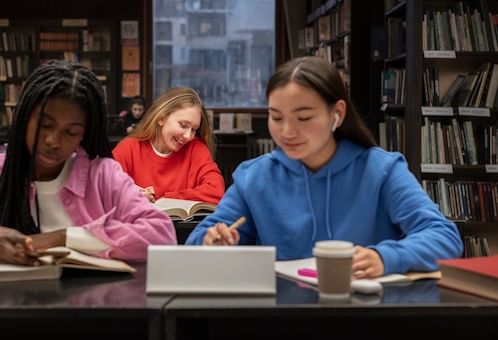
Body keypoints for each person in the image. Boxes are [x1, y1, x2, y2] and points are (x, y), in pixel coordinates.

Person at [185, 56, 463, 278]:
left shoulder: (381, 170)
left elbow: (444, 237)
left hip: (366, 313)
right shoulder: (254, 176)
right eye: (276, 117)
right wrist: (211, 242)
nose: (287, 132)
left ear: (337, 114)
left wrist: (385, 257)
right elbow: (199, 240)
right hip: (283, 315)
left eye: (303, 118)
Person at [0, 60, 177, 271]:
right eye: (44, 125)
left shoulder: (103, 175)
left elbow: (161, 236)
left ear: (85, 133)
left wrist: (63, 238)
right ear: (23, 117)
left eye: (71, 132)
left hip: (87, 317)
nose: (54, 141)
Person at [112, 86, 225, 204]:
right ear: (161, 118)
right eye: (183, 125)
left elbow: (216, 191)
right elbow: (103, 190)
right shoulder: (129, 149)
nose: (188, 136)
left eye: (194, 129)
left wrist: (166, 200)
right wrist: (129, 195)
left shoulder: (195, 148)